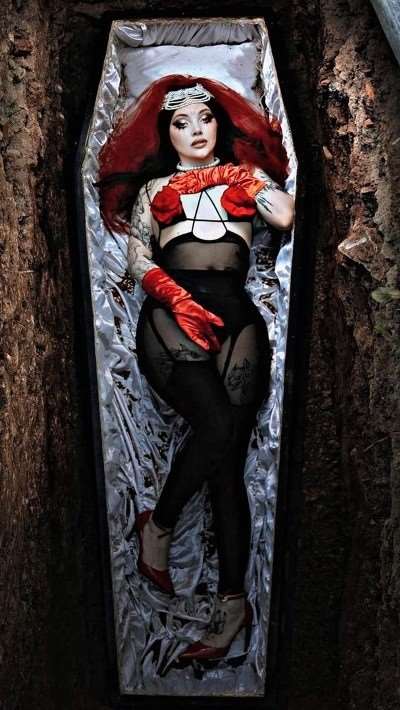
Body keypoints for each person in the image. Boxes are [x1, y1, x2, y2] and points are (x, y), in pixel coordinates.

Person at [98, 75, 294, 662]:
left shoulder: (245, 176)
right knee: (215, 425)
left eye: (205, 120)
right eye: (181, 124)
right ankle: (159, 525)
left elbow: (285, 217)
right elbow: (137, 256)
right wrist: (175, 297)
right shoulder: (156, 188)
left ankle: (233, 604)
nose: (196, 131)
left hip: (237, 317)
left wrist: (240, 179)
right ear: (168, 135)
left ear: (218, 125)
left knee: (227, 459)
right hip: (172, 311)